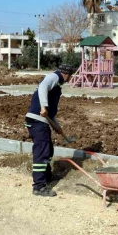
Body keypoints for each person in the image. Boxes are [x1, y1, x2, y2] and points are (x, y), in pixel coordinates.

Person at [25, 64, 75, 197]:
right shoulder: (54, 77)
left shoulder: (56, 85)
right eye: (70, 76)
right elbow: (42, 87)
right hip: (37, 121)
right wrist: (43, 106)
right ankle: (39, 187)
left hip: (42, 121)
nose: (70, 79)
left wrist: (57, 127)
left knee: (48, 151)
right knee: (41, 153)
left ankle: (47, 176)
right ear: (66, 74)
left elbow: (50, 115)